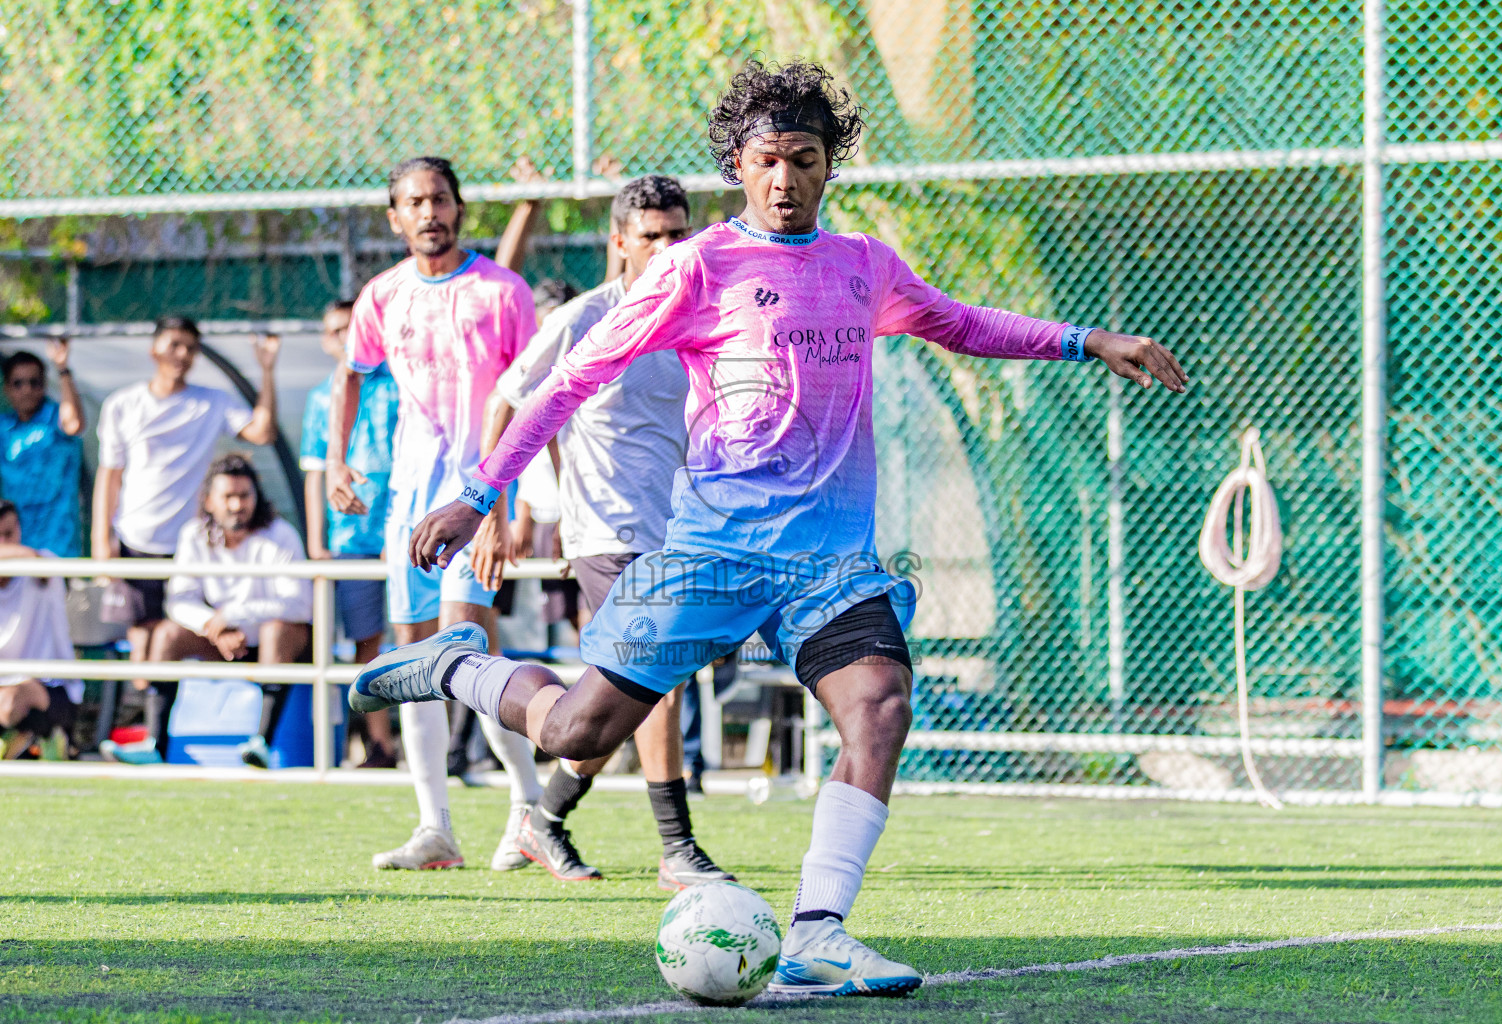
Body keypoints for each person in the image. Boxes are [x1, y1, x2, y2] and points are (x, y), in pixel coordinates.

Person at [358, 59, 1186, 996]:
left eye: (804, 159)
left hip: (828, 566)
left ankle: (820, 934)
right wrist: (478, 494)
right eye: (766, 161)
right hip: (712, 555)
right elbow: (572, 381)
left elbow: (961, 324)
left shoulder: (864, 266)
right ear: (738, 168)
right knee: (576, 732)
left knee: (880, 705)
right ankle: (461, 665)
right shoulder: (697, 266)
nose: (785, 179)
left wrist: (1086, 340)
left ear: (830, 166)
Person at [481, 174, 732, 890]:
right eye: (651, 236)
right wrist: (494, 511)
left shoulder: (702, 314)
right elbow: (508, 401)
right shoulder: (586, 317)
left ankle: (544, 816)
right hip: (606, 531)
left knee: (618, 702)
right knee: (660, 677)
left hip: (682, 533)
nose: (667, 247)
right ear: (620, 241)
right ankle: (677, 845)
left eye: (678, 234)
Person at [327, 155, 543, 871]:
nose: (429, 212)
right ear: (395, 217)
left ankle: (528, 809)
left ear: (459, 208)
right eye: (415, 202)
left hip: (476, 502)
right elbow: (350, 375)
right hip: (408, 505)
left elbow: (529, 404)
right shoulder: (382, 295)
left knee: (465, 650)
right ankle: (435, 829)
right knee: (415, 658)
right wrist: (337, 461)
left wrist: (502, 508)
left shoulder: (502, 291)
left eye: (440, 199)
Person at [93, 317, 281, 714]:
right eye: (174, 344)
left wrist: (266, 369)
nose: (182, 354)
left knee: (172, 637)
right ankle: (140, 730)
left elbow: (262, 433)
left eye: (190, 348)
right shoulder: (123, 404)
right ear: (154, 349)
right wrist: (101, 543)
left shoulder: (213, 402)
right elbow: (109, 476)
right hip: (135, 542)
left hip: (189, 549)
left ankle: (162, 731)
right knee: (142, 644)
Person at [153, 454, 312, 767]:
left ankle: (262, 744)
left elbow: (300, 605)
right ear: (209, 501)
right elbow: (178, 600)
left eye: (244, 495)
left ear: (257, 496)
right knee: (166, 635)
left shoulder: (281, 534)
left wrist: (233, 615)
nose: (237, 505)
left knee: (276, 630)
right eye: (228, 496)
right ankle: (154, 746)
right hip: (220, 642)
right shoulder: (193, 534)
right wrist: (215, 626)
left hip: (279, 646)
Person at [301, 299, 399, 769]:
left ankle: (441, 744)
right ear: (325, 340)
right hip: (349, 540)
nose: (345, 338)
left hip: (406, 534)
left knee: (428, 634)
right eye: (336, 330)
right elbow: (314, 471)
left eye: (351, 328)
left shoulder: (398, 383)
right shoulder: (321, 397)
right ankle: (379, 745)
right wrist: (316, 543)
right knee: (366, 642)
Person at [0, 500, 81, 760]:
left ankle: (43, 740)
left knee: (12, 700)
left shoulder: (43, 564)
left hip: (52, 693)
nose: (4, 543)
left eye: (9, 534)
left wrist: (15, 553)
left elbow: (39, 565)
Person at [0, 342, 85, 557]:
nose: (27, 389)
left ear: (44, 384)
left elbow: (74, 424)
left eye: (34, 382)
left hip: (58, 546)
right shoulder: (3, 427)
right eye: (18, 383)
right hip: (17, 546)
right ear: (7, 388)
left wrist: (62, 368)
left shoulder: (56, 417)